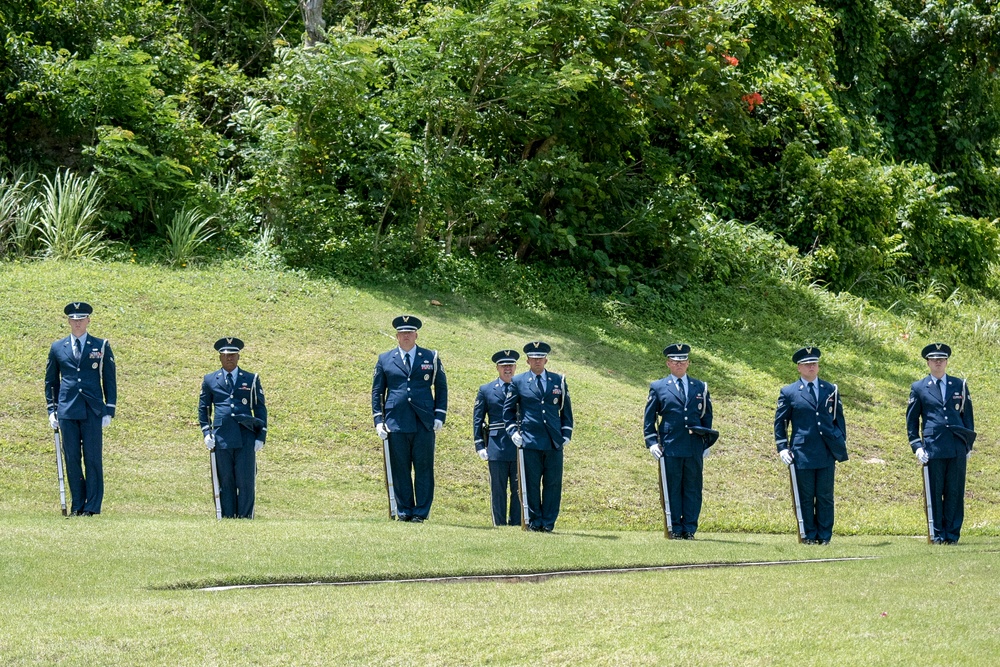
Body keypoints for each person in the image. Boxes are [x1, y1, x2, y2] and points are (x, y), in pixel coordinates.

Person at [371, 315, 448, 522]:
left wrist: (440, 415)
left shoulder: (430, 357)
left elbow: (441, 387)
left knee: (424, 468)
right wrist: (378, 420)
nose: (406, 336)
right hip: (396, 422)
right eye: (402, 333)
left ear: (416, 335)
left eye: (409, 332)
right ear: (397, 336)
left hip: (424, 422)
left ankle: (421, 512)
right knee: (400, 469)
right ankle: (404, 510)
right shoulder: (385, 359)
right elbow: (377, 391)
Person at [45, 302, 117, 516]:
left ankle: (92, 506)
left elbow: (109, 379)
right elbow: (51, 381)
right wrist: (52, 409)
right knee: (72, 459)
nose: (77, 323)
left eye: (81, 319)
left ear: (88, 321)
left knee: (93, 458)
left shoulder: (100, 345)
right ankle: (78, 504)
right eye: (73, 319)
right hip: (67, 409)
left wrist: (109, 409)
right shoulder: (58, 347)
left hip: (93, 409)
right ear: (68, 321)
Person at [773, 346, 848, 544]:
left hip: (825, 450)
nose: (811, 367)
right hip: (802, 452)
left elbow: (838, 419)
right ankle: (808, 535)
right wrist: (782, 447)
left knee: (824, 496)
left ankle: (824, 536)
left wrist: (839, 441)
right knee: (805, 497)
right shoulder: (789, 392)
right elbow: (781, 422)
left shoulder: (830, 389)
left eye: (814, 364)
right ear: (799, 368)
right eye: (807, 365)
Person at [643, 343, 716, 539]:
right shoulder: (658, 387)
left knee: (692, 488)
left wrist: (705, 442)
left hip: (693, 446)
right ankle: (674, 527)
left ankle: (689, 528)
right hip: (670, 445)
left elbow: (706, 416)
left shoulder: (700, 386)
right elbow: (649, 418)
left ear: (688, 363)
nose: (679, 364)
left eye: (683, 361)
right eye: (675, 361)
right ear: (668, 363)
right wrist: (651, 442)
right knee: (672, 488)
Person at [906, 343, 975, 545]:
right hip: (933, 447)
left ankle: (952, 535)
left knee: (954, 491)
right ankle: (936, 533)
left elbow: (967, 417)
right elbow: (912, 421)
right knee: (934, 492)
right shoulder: (919, 387)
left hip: (956, 446)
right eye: (934, 360)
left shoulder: (959, 385)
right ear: (928, 363)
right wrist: (917, 445)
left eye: (942, 360)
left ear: (946, 362)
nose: (938, 363)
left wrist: (968, 445)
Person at [503, 341, 573, 532]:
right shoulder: (518, 381)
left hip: (553, 441)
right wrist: (513, 432)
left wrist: (566, 433)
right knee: (531, 484)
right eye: (533, 358)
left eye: (540, 358)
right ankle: (534, 521)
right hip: (530, 440)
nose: (537, 361)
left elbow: (565, 411)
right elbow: (508, 411)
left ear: (546, 360)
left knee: (552, 484)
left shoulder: (558, 381)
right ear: (527, 361)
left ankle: (548, 522)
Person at [199, 337, 268, 519]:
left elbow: (259, 407)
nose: (229, 358)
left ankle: (245, 518)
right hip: (222, 437)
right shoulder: (210, 380)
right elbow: (204, 408)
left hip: (245, 435)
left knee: (245, 481)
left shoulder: (251, 379)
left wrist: (261, 436)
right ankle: (227, 517)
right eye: (225, 355)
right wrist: (207, 432)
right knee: (226, 481)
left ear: (238, 357)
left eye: (233, 355)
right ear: (220, 357)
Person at [473, 350, 521, 526]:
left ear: (515, 367)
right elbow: (478, 418)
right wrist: (479, 445)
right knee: (498, 489)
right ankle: (499, 523)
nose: (507, 369)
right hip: (496, 445)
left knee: (518, 489)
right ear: (497, 368)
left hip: (518, 444)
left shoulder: (523, 387)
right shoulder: (486, 390)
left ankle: (516, 523)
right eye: (504, 365)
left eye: (510, 365)